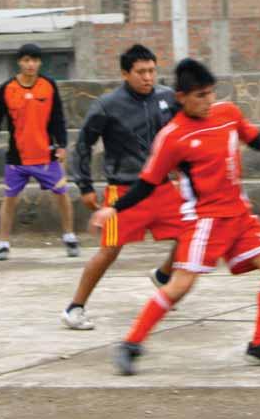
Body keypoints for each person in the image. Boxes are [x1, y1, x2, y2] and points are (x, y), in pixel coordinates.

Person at [90, 58, 260, 374]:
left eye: (210, 93)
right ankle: (131, 343)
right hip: (205, 221)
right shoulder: (173, 137)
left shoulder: (228, 114)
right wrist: (113, 208)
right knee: (180, 286)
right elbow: (146, 184)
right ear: (180, 98)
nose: (207, 101)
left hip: (240, 216)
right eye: (199, 96)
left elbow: (251, 136)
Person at [62, 45, 182, 331]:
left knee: (193, 234)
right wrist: (85, 186)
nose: (148, 77)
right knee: (109, 251)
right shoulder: (107, 105)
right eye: (141, 72)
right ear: (125, 74)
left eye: (152, 71)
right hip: (124, 192)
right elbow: (82, 147)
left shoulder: (167, 97)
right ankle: (74, 308)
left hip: (163, 188)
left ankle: (164, 275)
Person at [0, 43, 77, 261]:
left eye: (34, 60)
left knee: (62, 194)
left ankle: (69, 236)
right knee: (9, 198)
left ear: (39, 62)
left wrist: (61, 144)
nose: (30, 64)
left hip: (46, 155)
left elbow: (58, 118)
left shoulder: (48, 86)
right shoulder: (8, 89)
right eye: (26, 60)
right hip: (17, 157)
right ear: (19, 62)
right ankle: (3, 243)